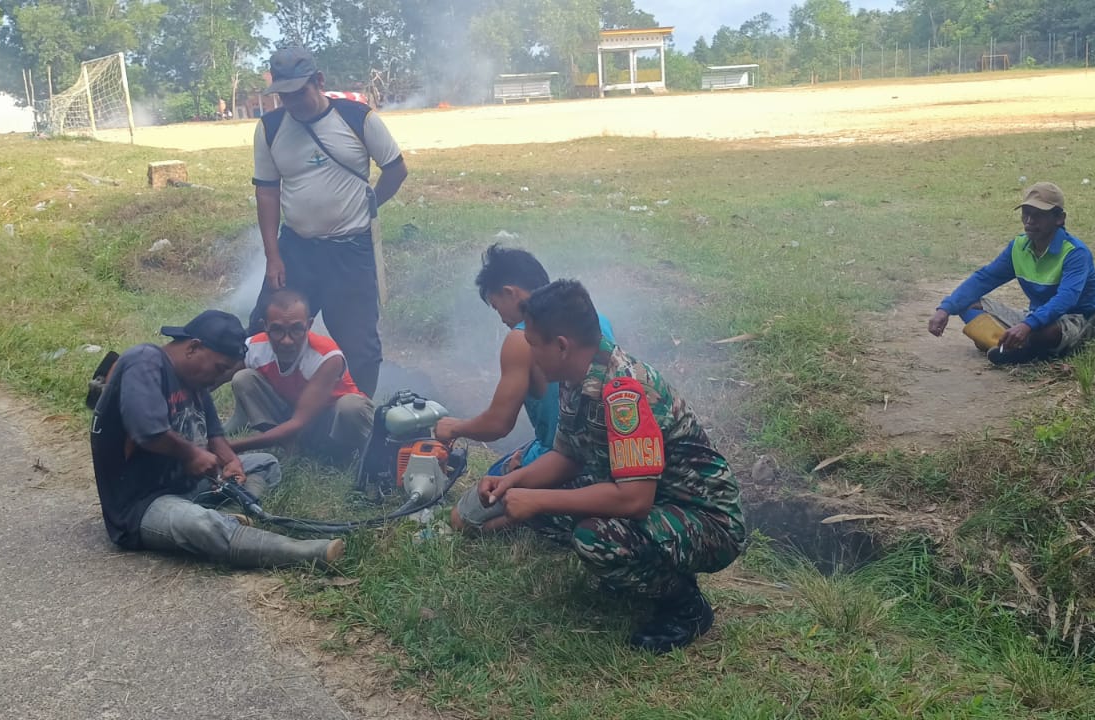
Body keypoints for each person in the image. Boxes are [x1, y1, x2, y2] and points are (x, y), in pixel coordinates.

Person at [475, 280, 746, 653]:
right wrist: (513, 482)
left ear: (561, 346)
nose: (532, 357)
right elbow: (567, 456)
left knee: (596, 536)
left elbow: (633, 500)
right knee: (537, 508)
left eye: (534, 346)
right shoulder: (576, 375)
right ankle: (637, 572)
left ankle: (685, 606)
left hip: (705, 520)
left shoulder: (623, 392)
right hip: (655, 500)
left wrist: (539, 500)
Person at [88, 309, 343, 568]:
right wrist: (191, 454)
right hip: (142, 504)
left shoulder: (195, 380)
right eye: (220, 368)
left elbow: (215, 435)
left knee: (265, 463)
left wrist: (230, 460)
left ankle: (232, 510)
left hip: (186, 485)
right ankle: (302, 553)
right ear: (194, 348)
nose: (217, 378)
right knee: (204, 526)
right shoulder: (145, 361)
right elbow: (147, 431)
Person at [249, 45, 409, 398]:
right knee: (266, 328)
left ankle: (357, 414)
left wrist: (370, 206)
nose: (292, 104)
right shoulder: (270, 128)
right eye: (284, 96)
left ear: (319, 82)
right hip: (296, 250)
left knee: (360, 345)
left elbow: (396, 169)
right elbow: (267, 193)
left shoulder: (359, 119)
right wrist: (273, 255)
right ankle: (274, 405)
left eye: (299, 93)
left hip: (350, 251)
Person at [437, 245, 615, 532]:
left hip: (565, 456)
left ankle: (537, 511)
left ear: (511, 292)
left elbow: (498, 424)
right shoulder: (594, 320)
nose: (502, 319)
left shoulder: (521, 339)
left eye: (496, 307)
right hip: (599, 453)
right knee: (514, 466)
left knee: (462, 518)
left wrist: (454, 428)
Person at [928, 182, 1095, 364]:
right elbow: (985, 278)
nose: (1029, 221)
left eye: (1038, 215)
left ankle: (1008, 345)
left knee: (1049, 332)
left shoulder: (1075, 253)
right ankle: (1006, 346)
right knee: (967, 303)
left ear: (1059, 218)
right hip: (1035, 316)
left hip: (1075, 319)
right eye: (1026, 213)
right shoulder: (1018, 247)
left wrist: (1027, 325)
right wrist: (945, 309)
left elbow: (1066, 299)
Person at [226, 289, 373, 462]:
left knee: (352, 406)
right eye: (277, 330)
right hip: (294, 416)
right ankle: (287, 445)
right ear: (264, 325)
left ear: (309, 325)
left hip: (327, 423)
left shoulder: (326, 357)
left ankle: (343, 455)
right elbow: (212, 377)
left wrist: (229, 447)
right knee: (244, 378)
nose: (287, 341)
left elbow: (298, 422)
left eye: (296, 329)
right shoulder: (254, 347)